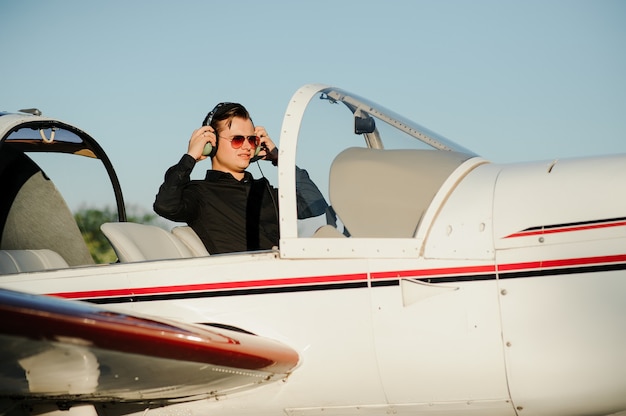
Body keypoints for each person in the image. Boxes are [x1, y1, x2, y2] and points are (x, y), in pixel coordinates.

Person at [153, 102, 327, 254]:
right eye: (237, 139)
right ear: (211, 144)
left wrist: (279, 158)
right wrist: (190, 157)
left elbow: (315, 205)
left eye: (251, 140)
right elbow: (165, 205)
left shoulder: (264, 192)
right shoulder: (200, 193)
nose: (246, 146)